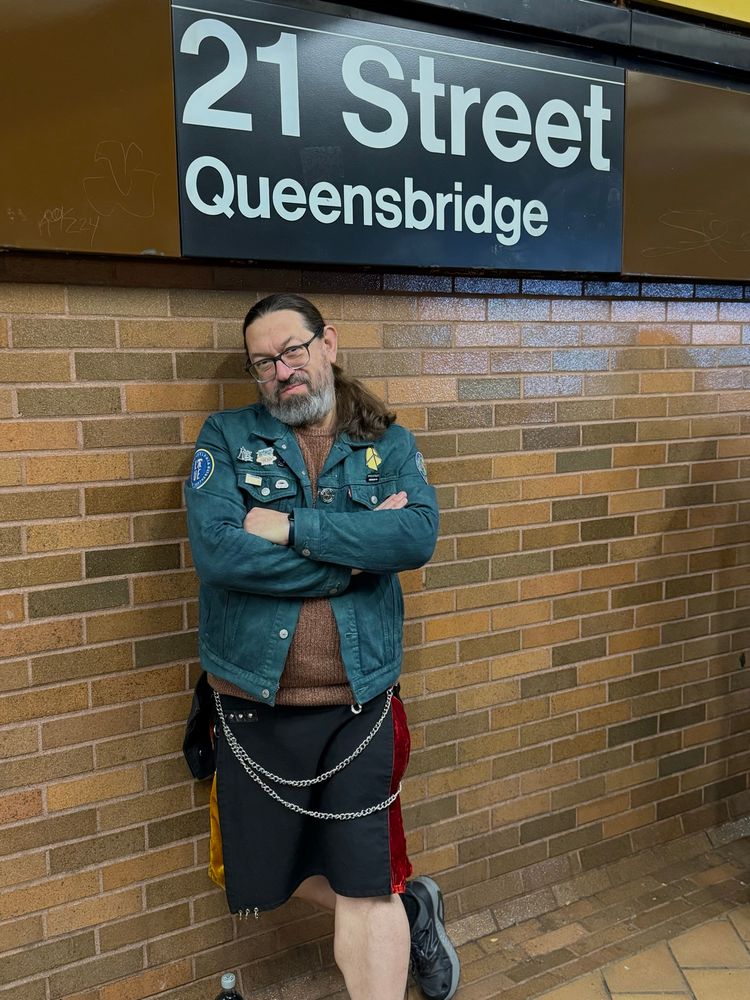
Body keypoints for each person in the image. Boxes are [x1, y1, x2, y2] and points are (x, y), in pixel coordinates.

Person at [185, 293, 460, 1000]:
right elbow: (219, 554)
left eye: (293, 351)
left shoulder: (386, 442)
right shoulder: (225, 438)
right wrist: (356, 556)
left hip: (357, 705)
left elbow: (415, 538)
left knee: (366, 882)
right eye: (264, 362)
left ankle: (394, 908)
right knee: (259, 871)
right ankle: (413, 907)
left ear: (328, 344)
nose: (282, 371)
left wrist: (286, 528)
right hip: (253, 700)